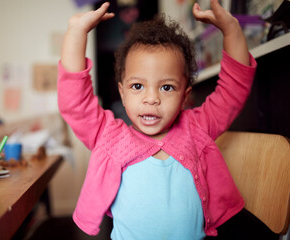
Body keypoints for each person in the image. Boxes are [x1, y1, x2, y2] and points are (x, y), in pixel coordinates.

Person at [57, 1, 262, 239]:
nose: (151, 98)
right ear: (122, 93)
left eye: (166, 87)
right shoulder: (108, 136)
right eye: (137, 86)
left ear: (185, 96)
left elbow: (233, 90)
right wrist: (76, 32)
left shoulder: (197, 128)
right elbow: (75, 103)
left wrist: (232, 30)